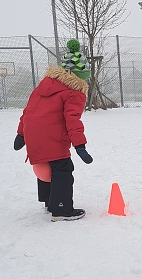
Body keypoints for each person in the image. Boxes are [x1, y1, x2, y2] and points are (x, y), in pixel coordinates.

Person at [13, 39, 93, 221]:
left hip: (34, 136)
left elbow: (28, 111)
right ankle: (61, 209)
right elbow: (72, 120)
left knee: (46, 164)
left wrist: (21, 134)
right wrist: (80, 146)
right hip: (53, 138)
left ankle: (49, 202)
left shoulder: (43, 87)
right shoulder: (74, 92)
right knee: (62, 170)